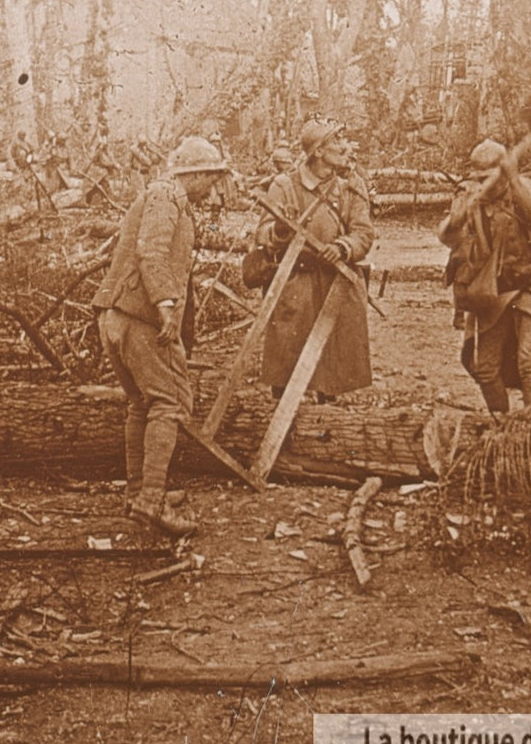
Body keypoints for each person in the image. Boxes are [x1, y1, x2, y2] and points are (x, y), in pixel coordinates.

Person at [92, 136, 229, 538]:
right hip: (141, 319)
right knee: (169, 403)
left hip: (115, 317)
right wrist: (166, 305)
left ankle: (139, 493)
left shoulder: (161, 196)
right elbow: (150, 250)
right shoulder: (167, 196)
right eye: (213, 178)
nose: (215, 188)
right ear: (197, 174)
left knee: (140, 403)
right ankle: (152, 499)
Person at [439, 138, 531, 411]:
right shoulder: (470, 196)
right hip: (494, 290)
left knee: (528, 361)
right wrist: (456, 220)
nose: (482, 183)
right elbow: (449, 239)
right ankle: (501, 427)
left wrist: (514, 180)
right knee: (484, 367)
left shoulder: (530, 188)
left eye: (488, 177)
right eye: (477, 177)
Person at [254, 118, 374, 403]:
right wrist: (280, 231)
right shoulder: (284, 185)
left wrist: (344, 247)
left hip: (335, 287)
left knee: (331, 371)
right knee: (288, 367)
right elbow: (261, 233)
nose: (345, 148)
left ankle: (325, 432)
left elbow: (364, 233)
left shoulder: (349, 187)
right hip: (295, 287)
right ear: (318, 151)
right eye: (337, 142)